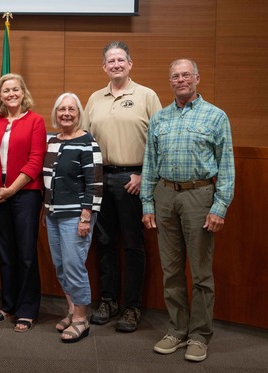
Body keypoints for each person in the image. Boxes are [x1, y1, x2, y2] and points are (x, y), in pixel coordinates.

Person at [140, 59, 235, 362]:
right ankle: (177, 331)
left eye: (186, 75)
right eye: (175, 76)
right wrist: (147, 202)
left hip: (199, 196)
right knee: (171, 270)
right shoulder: (160, 118)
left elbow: (227, 167)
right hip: (165, 195)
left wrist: (219, 206)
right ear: (170, 81)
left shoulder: (216, 116)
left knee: (201, 273)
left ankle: (199, 335)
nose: (181, 80)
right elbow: (149, 164)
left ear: (197, 78)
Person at [82, 41, 162, 332]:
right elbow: (84, 141)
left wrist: (144, 175)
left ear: (130, 64)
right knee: (103, 243)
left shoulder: (146, 95)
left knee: (132, 245)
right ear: (104, 66)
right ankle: (108, 300)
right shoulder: (94, 98)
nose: (116, 64)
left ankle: (132, 306)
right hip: (100, 179)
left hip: (133, 181)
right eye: (110, 61)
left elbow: (159, 142)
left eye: (120, 60)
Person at [0, 73, 46, 333]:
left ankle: (28, 309)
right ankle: (8, 305)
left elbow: (35, 161)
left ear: (23, 93)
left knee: (27, 254)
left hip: (25, 194)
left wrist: (10, 191)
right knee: (6, 253)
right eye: (5, 90)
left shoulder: (35, 121)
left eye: (15, 89)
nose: (11, 94)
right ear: (0, 95)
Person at [43, 93, 103, 343]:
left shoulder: (88, 143)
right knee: (60, 265)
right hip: (53, 214)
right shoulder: (52, 141)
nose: (66, 113)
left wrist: (86, 217)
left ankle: (81, 318)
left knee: (74, 265)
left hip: (77, 215)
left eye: (71, 109)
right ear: (55, 113)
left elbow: (95, 184)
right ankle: (71, 309)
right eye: (61, 109)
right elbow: (48, 180)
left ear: (79, 113)